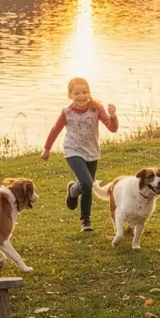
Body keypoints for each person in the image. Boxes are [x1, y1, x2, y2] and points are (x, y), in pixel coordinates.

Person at [41, 76, 118, 231]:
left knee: (86, 186)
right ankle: (85, 220)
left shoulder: (96, 108)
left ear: (89, 93)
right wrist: (47, 148)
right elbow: (55, 129)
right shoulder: (67, 112)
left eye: (85, 92)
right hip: (73, 150)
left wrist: (113, 116)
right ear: (70, 96)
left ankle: (73, 191)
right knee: (88, 183)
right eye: (77, 93)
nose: (81, 96)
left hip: (92, 152)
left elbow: (112, 128)